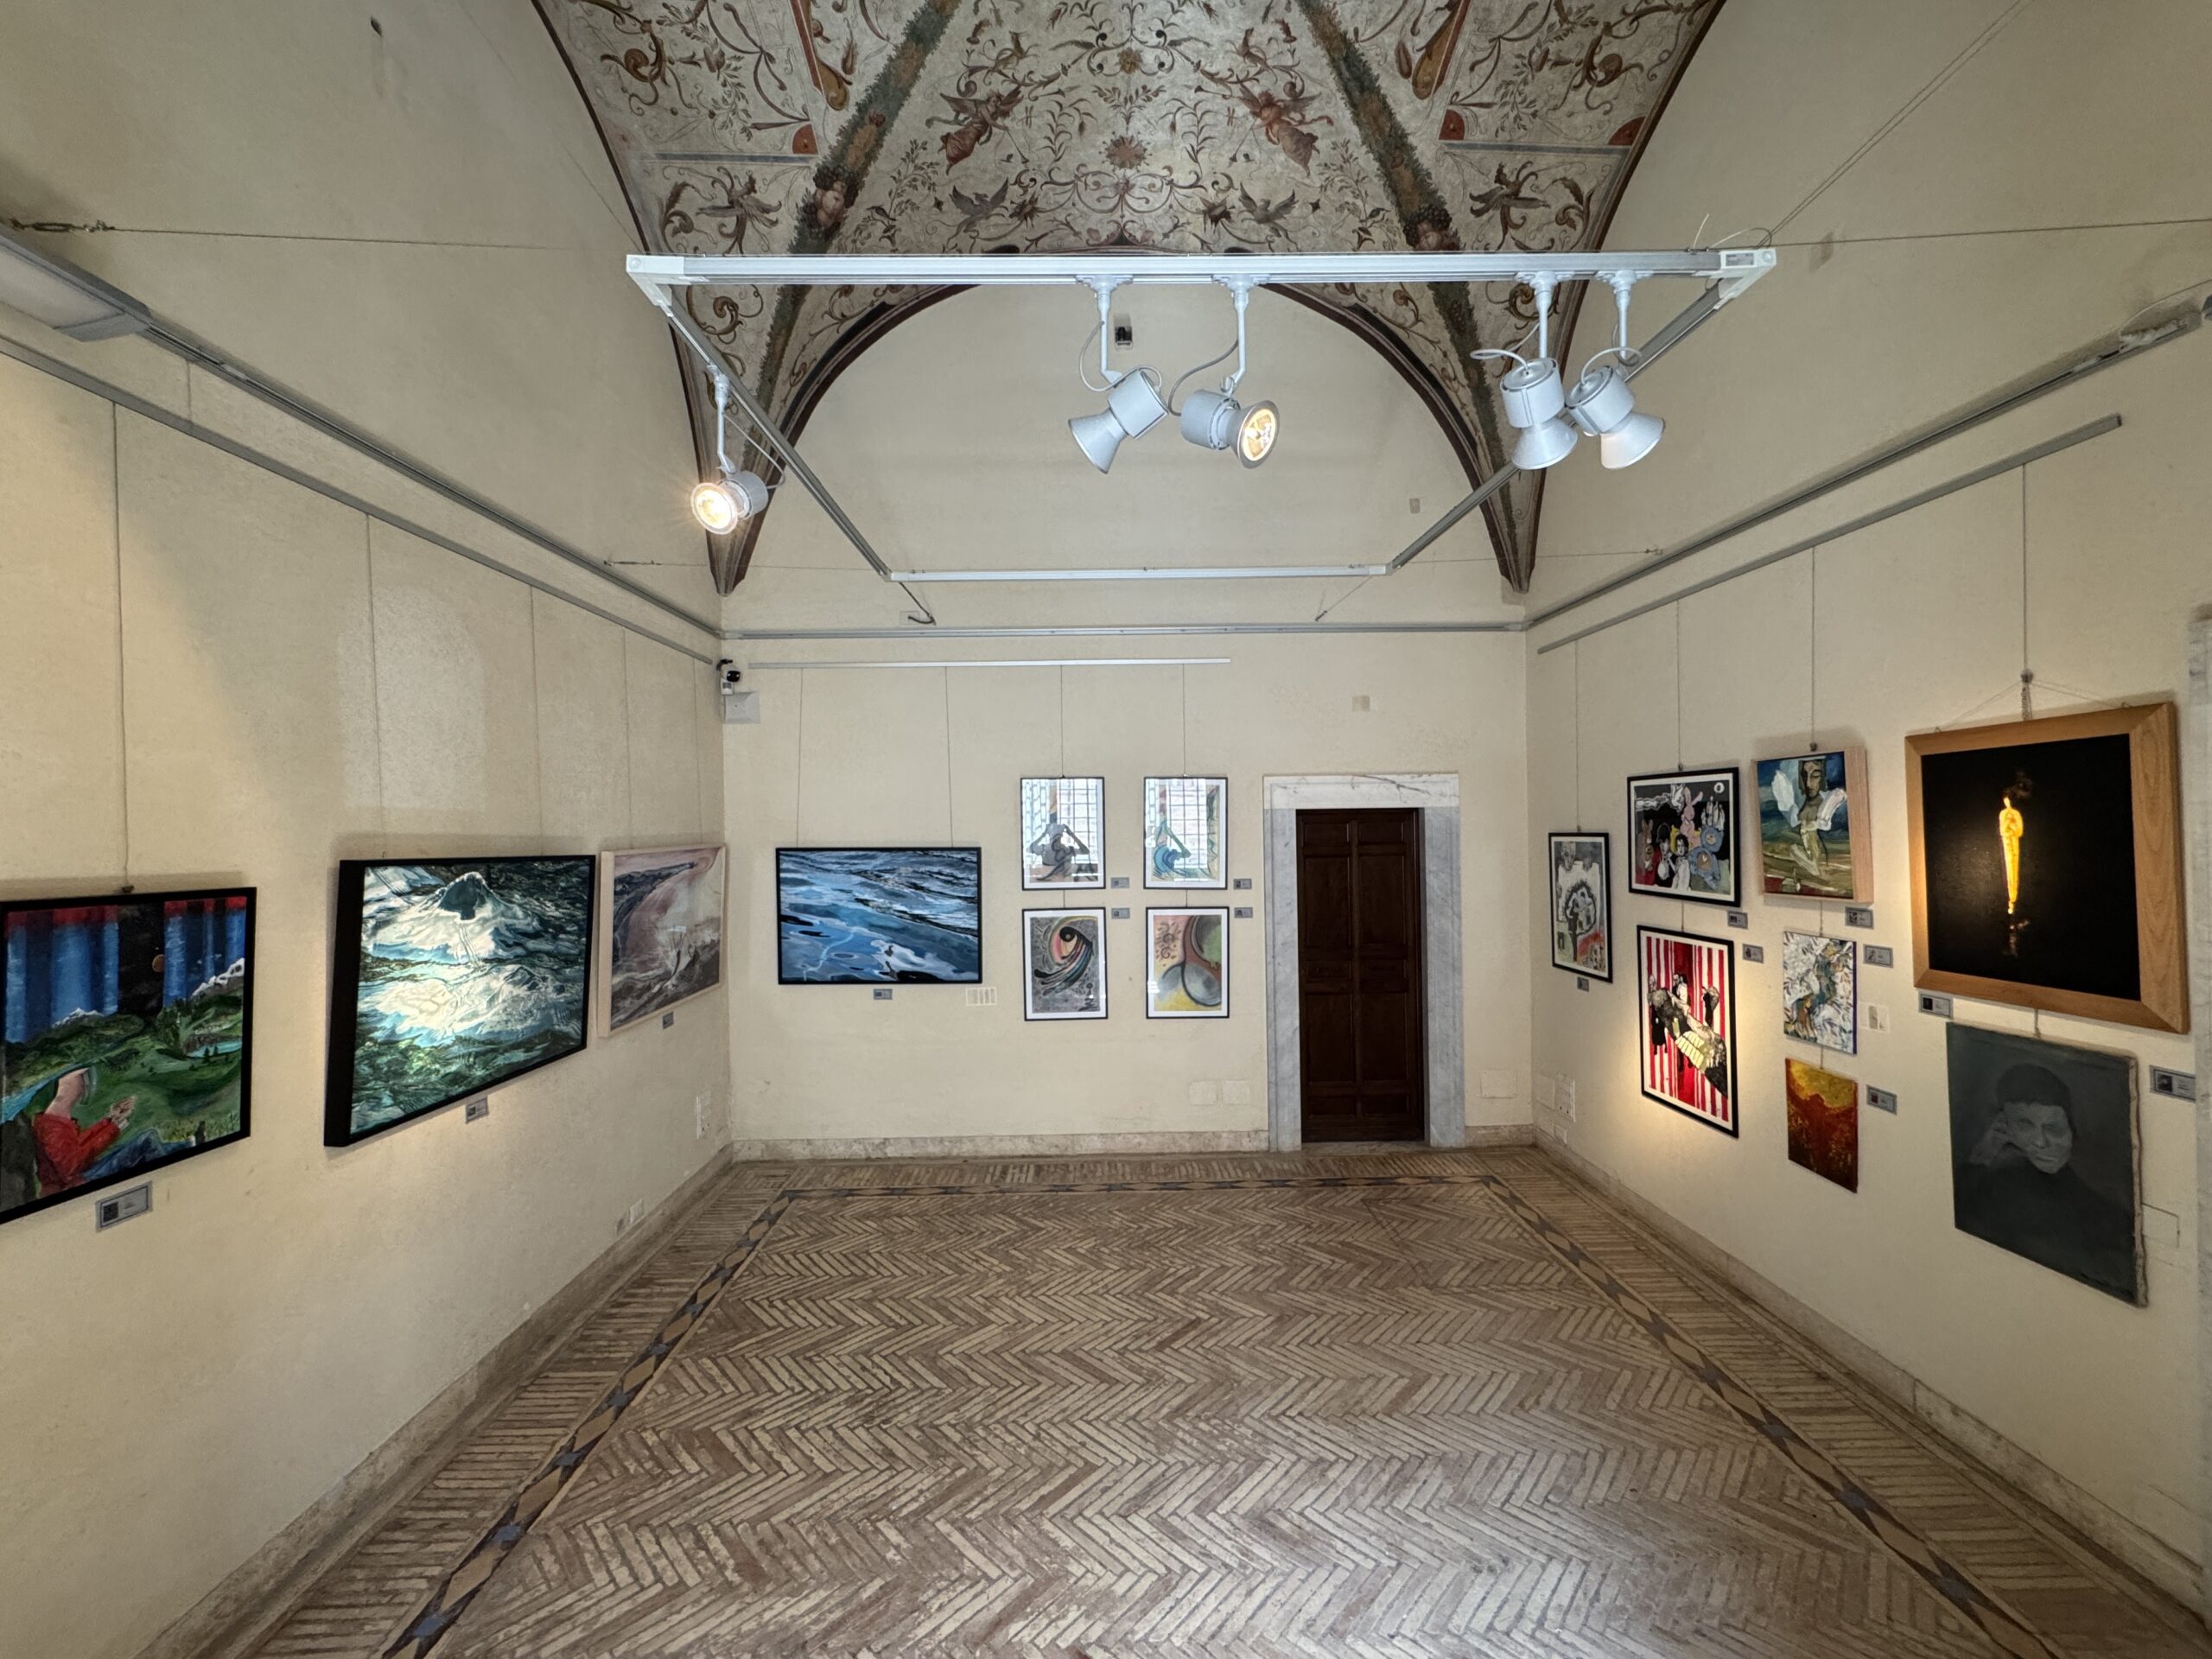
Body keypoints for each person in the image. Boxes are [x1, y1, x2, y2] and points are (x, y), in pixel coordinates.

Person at [1955, 1061, 2133, 1299]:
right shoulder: (1995, 1187)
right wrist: (1982, 1155)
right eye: (2024, 1126)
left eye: (2054, 1129)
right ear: (2004, 1126)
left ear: (2073, 1129)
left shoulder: (2106, 1209)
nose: (2040, 1142)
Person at [29, 1068, 139, 1194]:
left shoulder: (53, 1126)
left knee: (144, 1143)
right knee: (144, 1144)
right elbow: (71, 1165)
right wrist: (112, 1127)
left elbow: (75, 1149)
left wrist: (111, 1121)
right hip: (71, 1187)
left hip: (72, 1182)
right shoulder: (52, 1129)